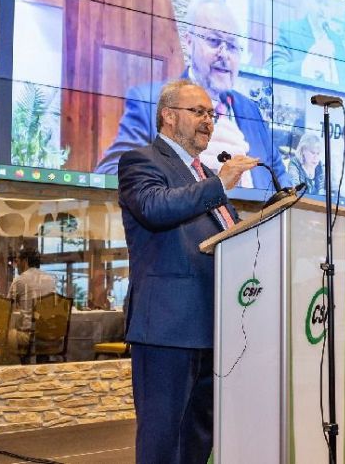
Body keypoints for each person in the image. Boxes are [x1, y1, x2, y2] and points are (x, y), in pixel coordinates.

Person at [118, 79, 258, 463]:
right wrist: (218, 184)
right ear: (167, 115)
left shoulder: (201, 174)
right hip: (167, 326)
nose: (208, 121)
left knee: (198, 438)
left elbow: (226, 231)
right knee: (163, 441)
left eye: (211, 114)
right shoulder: (141, 160)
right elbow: (155, 209)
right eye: (198, 112)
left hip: (214, 326)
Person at [96, 0, 290, 192]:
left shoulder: (250, 110)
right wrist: (184, 165)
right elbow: (109, 173)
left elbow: (281, 177)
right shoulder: (149, 101)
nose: (224, 54)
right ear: (189, 42)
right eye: (214, 41)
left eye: (232, 46)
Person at [267, 0, 345, 88]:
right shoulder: (291, 30)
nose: (323, 9)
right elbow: (271, 69)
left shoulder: (337, 40)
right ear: (308, 2)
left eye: (327, 5)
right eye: (319, 1)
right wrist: (306, 66)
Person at [7, 247, 58, 352]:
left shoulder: (20, 280)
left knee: (3, 334)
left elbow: (5, 307)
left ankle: (14, 367)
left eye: (17, 261)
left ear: (25, 261)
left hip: (29, 335)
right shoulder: (50, 279)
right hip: (51, 334)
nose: (16, 265)